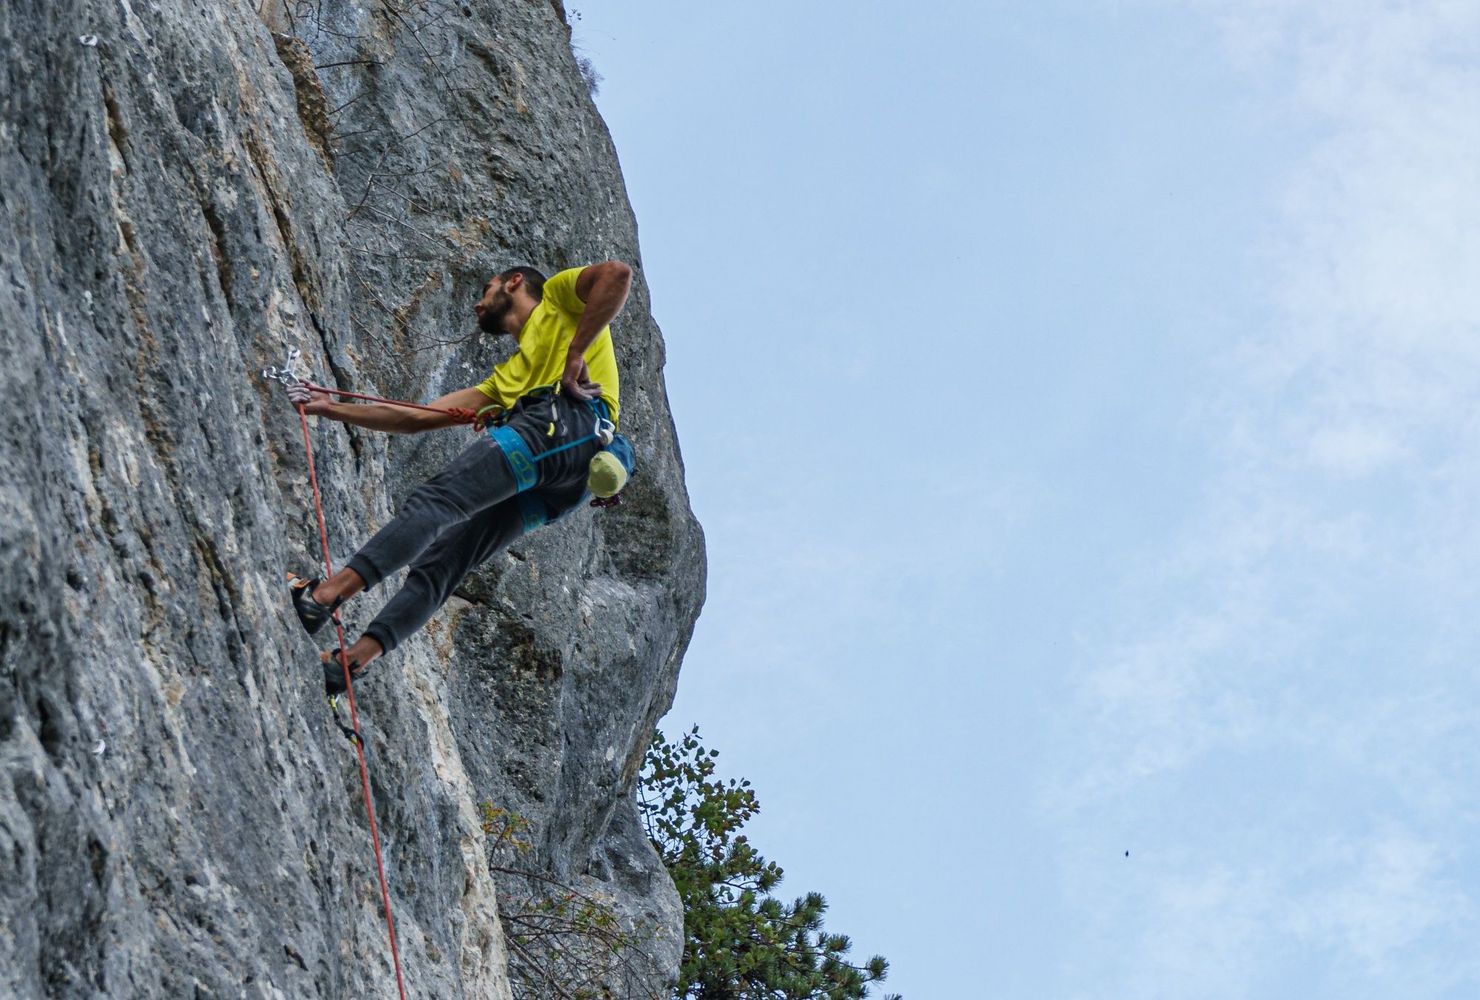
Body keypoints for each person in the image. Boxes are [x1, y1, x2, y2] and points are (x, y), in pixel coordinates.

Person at [285, 261, 633, 693]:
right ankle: (349, 664)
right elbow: (415, 417)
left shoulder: (560, 299)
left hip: (560, 424)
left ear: (515, 282)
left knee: (437, 503)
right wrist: (330, 405)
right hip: (570, 480)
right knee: (444, 563)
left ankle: (321, 598)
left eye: (485, 289)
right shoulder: (507, 382)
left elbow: (616, 275)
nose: (476, 302)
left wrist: (576, 352)